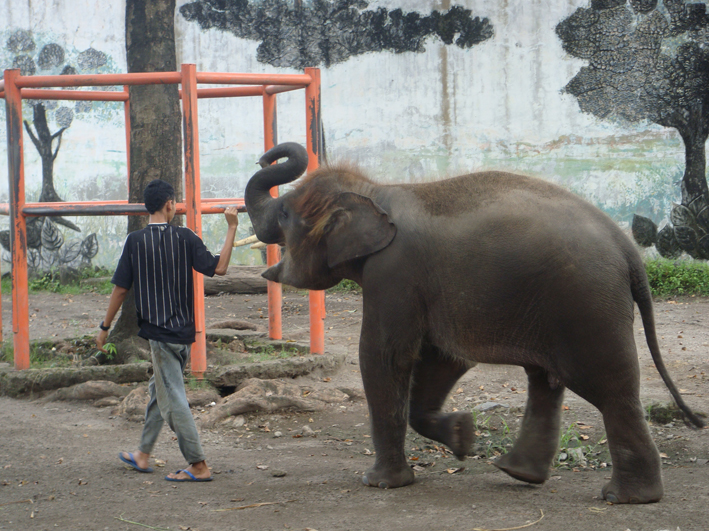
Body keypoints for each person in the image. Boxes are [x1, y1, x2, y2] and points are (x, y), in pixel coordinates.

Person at [96, 179, 239, 482]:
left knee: (172, 398)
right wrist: (231, 227)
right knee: (157, 391)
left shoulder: (135, 242)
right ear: (170, 204)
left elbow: (121, 290)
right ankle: (143, 454)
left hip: (160, 337)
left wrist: (105, 327)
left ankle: (198, 465)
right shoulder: (185, 237)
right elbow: (221, 268)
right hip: (184, 336)